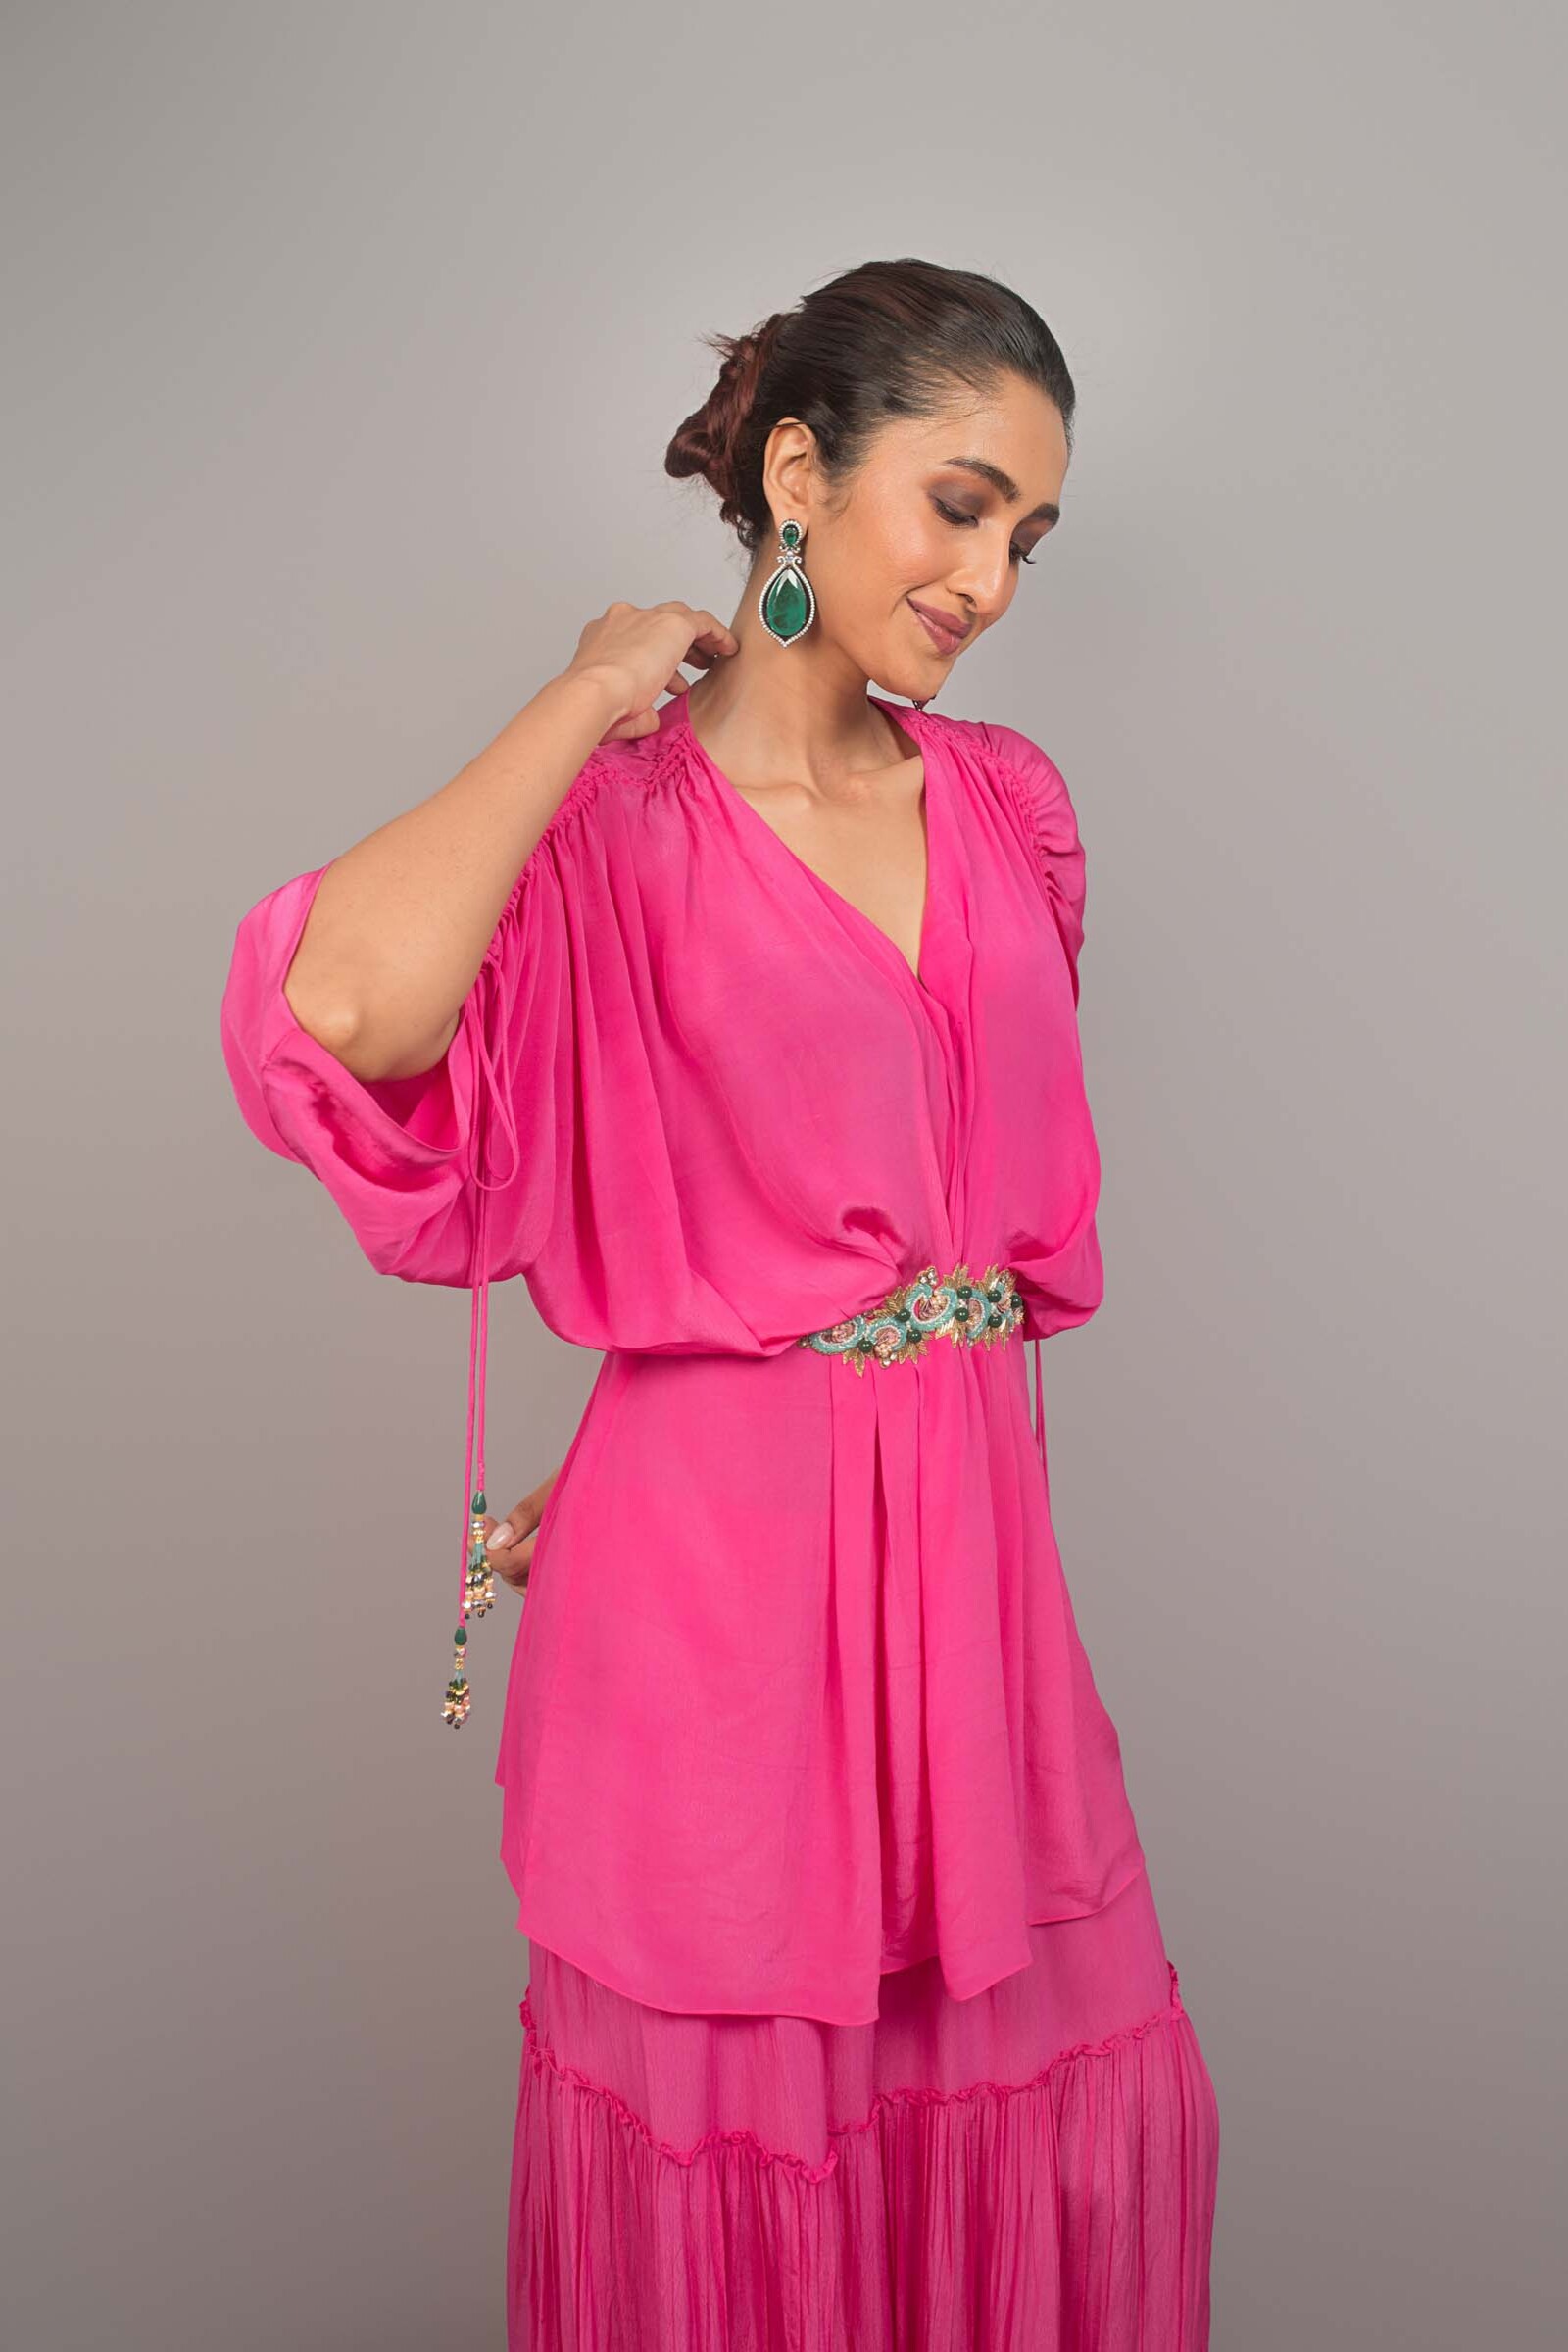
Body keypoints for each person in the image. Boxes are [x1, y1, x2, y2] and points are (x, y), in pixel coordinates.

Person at [220, 256, 1220, 2348]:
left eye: (1028, 538)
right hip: (714, 1634)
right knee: (747, 2192)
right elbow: (345, 1013)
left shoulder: (1012, 811)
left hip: (974, 1620)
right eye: (958, 506)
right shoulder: (609, 832)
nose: (990, 582)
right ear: (796, 473)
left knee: (1029, 2122)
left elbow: (899, 1218)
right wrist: (585, 696)